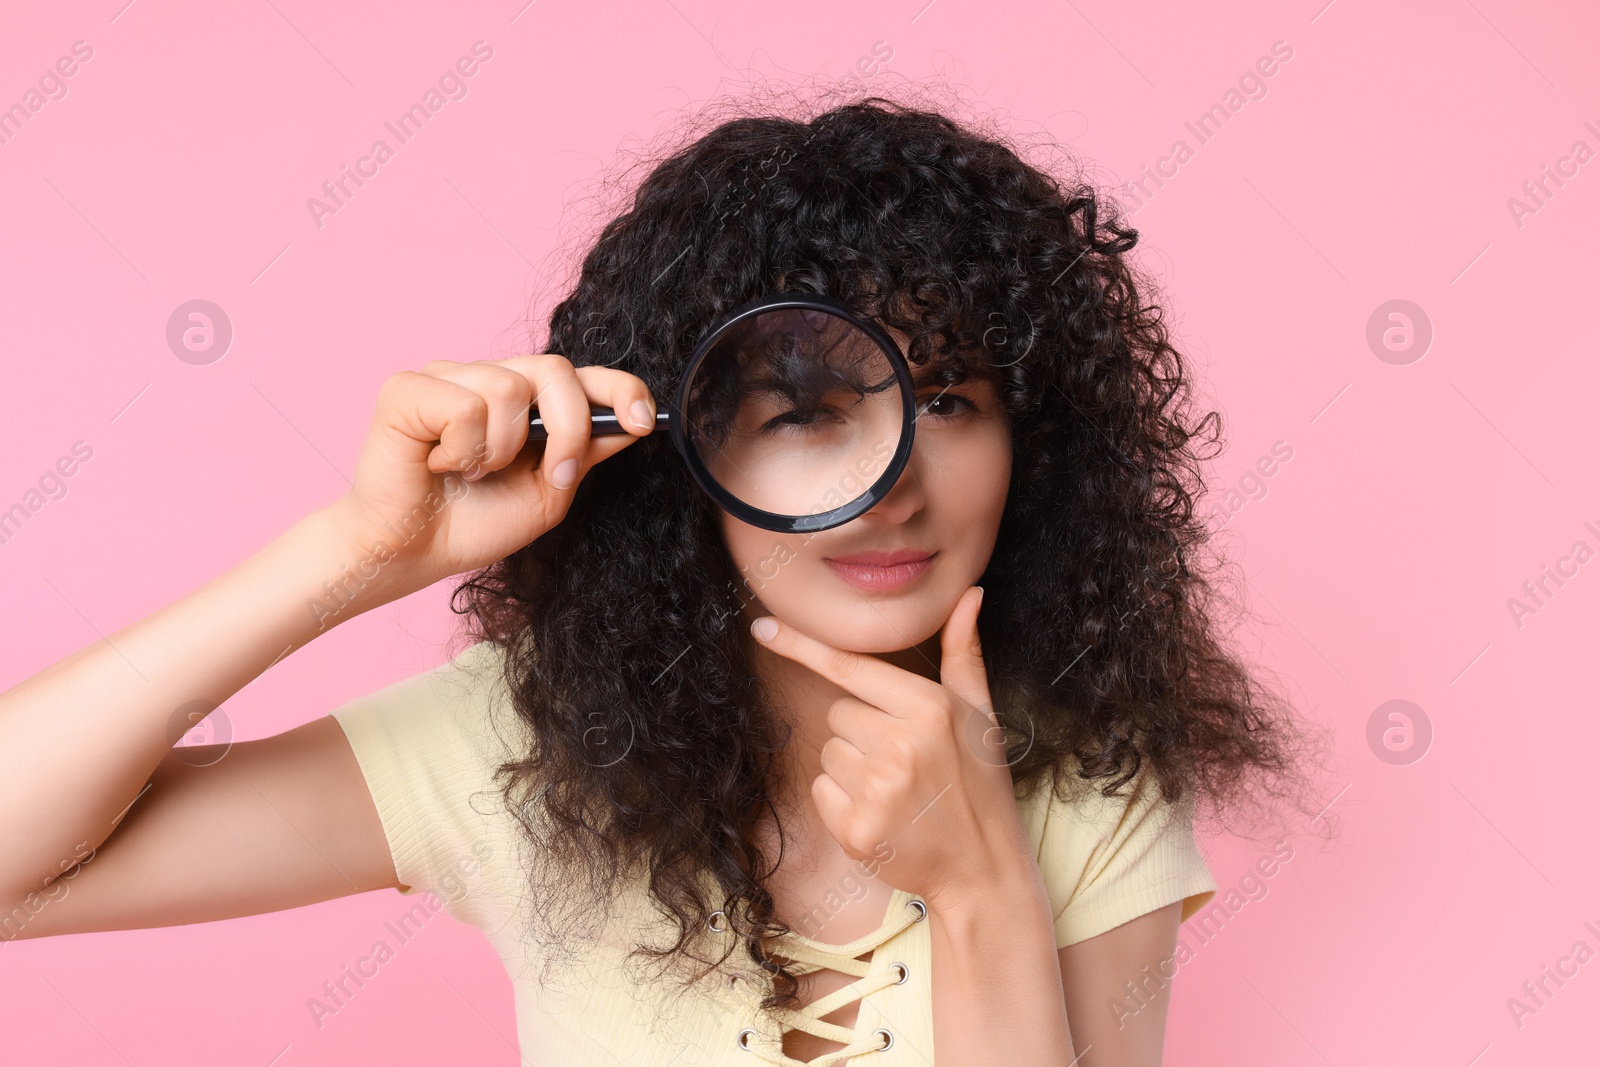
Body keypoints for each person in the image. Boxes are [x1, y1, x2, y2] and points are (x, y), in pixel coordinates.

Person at [0, 93, 1322, 1066]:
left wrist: (979, 885)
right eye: (806, 412)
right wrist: (356, 553)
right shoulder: (520, 747)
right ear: (686, 445)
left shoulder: (1091, 775)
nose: (903, 481)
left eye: (953, 398)